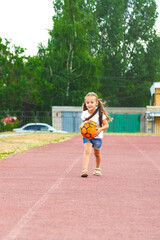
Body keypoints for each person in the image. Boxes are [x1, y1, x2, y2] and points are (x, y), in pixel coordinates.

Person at [80, 92, 112, 177]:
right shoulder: (84, 113)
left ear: (96, 103)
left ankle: (97, 168)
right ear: (85, 103)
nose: (89, 104)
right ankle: (84, 170)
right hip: (87, 136)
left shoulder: (100, 114)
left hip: (97, 137)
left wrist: (100, 129)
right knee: (87, 151)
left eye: (92, 102)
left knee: (97, 154)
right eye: (87, 103)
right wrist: (81, 127)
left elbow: (106, 125)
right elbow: (84, 124)